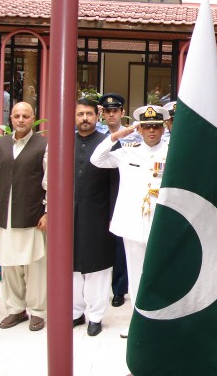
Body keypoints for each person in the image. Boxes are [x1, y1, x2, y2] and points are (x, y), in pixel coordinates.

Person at [90, 104, 169, 338]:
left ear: (163, 127)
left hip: (162, 224)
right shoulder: (128, 151)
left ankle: (161, 320)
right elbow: (97, 159)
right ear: (140, 129)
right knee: (136, 274)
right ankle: (139, 320)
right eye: (146, 127)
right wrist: (117, 135)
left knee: (161, 273)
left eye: (155, 126)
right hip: (134, 224)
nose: (151, 131)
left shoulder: (173, 152)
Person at [0, 102, 47, 332]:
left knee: (36, 267)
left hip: (32, 216)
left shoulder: (43, 145)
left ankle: (38, 312)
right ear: (10, 119)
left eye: (25, 116)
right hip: (5, 216)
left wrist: (48, 211)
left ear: (33, 118)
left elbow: (49, 181)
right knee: (10, 266)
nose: (21, 120)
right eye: (17, 116)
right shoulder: (1, 145)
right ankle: (15, 310)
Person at [72, 98, 117, 337]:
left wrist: (112, 215)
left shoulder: (106, 143)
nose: (85, 118)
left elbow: (114, 184)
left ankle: (96, 316)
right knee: (72, 266)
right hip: (69, 216)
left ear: (96, 116)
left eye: (89, 114)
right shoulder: (65, 142)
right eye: (80, 114)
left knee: (97, 267)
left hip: (99, 214)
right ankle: (75, 313)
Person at [97, 93, 131, 308]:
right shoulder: (95, 137)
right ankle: (97, 291)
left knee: (121, 247)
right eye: (107, 111)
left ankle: (119, 289)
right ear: (102, 113)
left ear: (122, 113)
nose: (111, 114)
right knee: (99, 246)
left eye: (115, 111)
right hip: (98, 196)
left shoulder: (132, 139)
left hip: (121, 195)